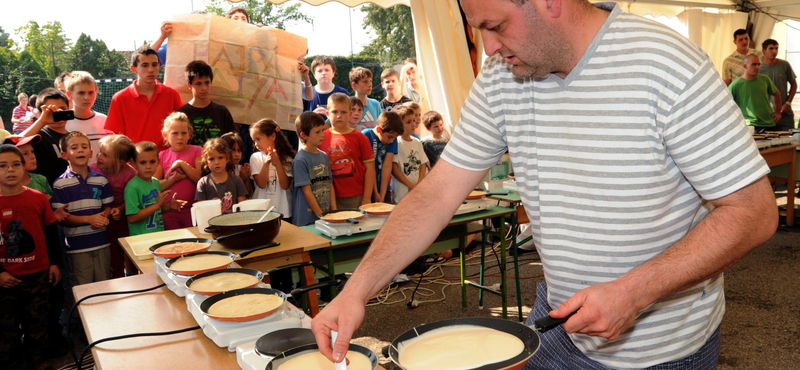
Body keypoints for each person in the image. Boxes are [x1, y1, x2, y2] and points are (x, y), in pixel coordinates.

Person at [311, 1, 778, 369]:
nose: (489, 48)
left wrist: (635, 292)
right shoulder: (502, 77)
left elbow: (753, 212)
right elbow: (436, 195)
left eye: (494, 26)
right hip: (557, 326)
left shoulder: (665, 64)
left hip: (660, 352)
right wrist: (355, 292)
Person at [0, 144, 62, 370]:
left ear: (23, 167)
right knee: (6, 329)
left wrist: (54, 263)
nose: (10, 170)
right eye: (3, 166)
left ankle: (38, 362)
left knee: (37, 323)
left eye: (16, 164)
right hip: (5, 280)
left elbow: (50, 233)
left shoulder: (38, 198)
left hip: (38, 275)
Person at [51, 132, 114, 286]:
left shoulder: (101, 180)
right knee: (82, 288)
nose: (80, 150)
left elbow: (108, 206)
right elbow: (63, 218)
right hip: (76, 248)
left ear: (91, 152)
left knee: (105, 286)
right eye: (74, 147)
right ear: (65, 155)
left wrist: (103, 218)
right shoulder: (60, 184)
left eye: (84, 146)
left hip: (102, 244)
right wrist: (89, 219)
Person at [105, 45, 183, 151]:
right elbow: (115, 138)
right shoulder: (120, 98)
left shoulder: (172, 95)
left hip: (165, 162)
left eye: (154, 65)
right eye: (145, 65)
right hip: (133, 163)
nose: (150, 70)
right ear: (134, 69)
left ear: (159, 66)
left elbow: (181, 128)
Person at [90, 135, 137, 278]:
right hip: (103, 219)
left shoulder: (130, 174)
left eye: (105, 155)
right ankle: (118, 280)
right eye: (100, 152)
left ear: (120, 161)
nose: (99, 157)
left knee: (130, 253)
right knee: (113, 256)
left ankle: (135, 278)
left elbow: (133, 197)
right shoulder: (92, 170)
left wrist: (121, 209)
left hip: (124, 220)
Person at [319, 93, 375, 208]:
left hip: (356, 196)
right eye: (335, 112)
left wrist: (367, 197)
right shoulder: (320, 138)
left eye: (343, 112)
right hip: (329, 196)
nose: (339, 116)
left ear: (349, 114)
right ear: (327, 114)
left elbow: (370, 168)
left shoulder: (361, 138)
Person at [125, 141, 185, 236]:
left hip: (158, 235)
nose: (148, 166)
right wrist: (157, 205)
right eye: (143, 163)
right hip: (141, 239)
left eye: (152, 162)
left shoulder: (155, 182)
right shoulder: (132, 187)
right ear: (134, 164)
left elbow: (156, 209)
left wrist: (169, 206)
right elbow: (132, 218)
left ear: (158, 162)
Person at [155, 112, 202, 230]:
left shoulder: (197, 151)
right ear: (165, 135)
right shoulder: (162, 155)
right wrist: (175, 178)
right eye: (175, 133)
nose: (180, 137)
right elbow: (154, 185)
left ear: (189, 134)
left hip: (193, 210)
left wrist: (182, 164)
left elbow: (200, 178)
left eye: (184, 133)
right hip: (169, 211)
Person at [176, 60, 236, 146]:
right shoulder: (181, 115)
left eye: (207, 83)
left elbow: (232, 142)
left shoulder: (222, 112)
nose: (204, 88)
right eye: (198, 84)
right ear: (189, 85)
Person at [292, 112, 335, 226]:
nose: (322, 134)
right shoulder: (300, 160)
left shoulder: (324, 156)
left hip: (326, 215)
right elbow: (306, 191)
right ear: (303, 135)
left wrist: (334, 210)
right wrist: (321, 216)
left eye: (322, 130)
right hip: (307, 219)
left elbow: (329, 184)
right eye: (317, 132)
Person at [24, 88, 71, 186]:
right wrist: (42, 121)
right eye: (52, 110)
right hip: (47, 194)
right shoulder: (38, 136)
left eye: (62, 109)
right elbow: (13, 144)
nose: (58, 112)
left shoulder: (73, 137)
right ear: (41, 113)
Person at [249, 119, 295, 219]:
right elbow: (261, 184)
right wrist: (266, 163)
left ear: (273, 136)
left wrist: (278, 164)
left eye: (258, 139)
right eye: (254, 140)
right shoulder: (255, 158)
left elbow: (285, 185)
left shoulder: (287, 159)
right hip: (261, 210)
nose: (256, 144)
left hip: (283, 210)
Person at [64, 71, 113, 164]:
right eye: (81, 93)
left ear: (96, 91)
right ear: (69, 94)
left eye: (91, 92)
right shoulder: (64, 123)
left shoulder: (104, 120)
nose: (87, 97)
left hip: (103, 176)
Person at [729, 55, 782, 129]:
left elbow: (776, 93)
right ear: (745, 66)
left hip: (769, 123)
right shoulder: (735, 85)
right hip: (749, 125)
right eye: (754, 64)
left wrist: (778, 112)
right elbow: (727, 104)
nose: (757, 67)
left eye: (759, 64)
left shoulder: (765, 79)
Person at [196, 138, 247, 214]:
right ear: (206, 162)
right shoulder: (203, 183)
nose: (216, 162)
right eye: (211, 159)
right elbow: (201, 210)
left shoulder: (237, 181)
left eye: (220, 158)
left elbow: (243, 208)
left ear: (227, 159)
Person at [362, 111, 401, 203]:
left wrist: (382, 194)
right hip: (367, 188)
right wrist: (375, 192)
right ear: (379, 130)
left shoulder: (393, 139)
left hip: (384, 187)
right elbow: (370, 167)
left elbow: (387, 166)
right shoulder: (366, 135)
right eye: (389, 137)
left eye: (394, 138)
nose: (392, 141)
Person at [391, 107, 428, 203]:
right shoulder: (396, 143)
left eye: (414, 121)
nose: (413, 124)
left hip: (417, 191)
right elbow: (394, 169)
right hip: (402, 193)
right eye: (408, 122)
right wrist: (411, 186)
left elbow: (423, 165)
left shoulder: (417, 142)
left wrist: (418, 185)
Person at [760, 39, 797, 131]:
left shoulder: (784, 65)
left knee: (789, 142)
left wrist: (788, 103)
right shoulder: (758, 68)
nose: (774, 51)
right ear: (764, 50)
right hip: (766, 114)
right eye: (771, 48)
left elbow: (794, 84)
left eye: (776, 48)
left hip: (784, 112)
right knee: (768, 143)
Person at [220, 132, 252, 196]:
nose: (237, 154)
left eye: (239, 150)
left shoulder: (240, 169)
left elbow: (248, 194)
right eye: (233, 150)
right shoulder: (219, 170)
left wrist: (246, 178)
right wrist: (241, 179)